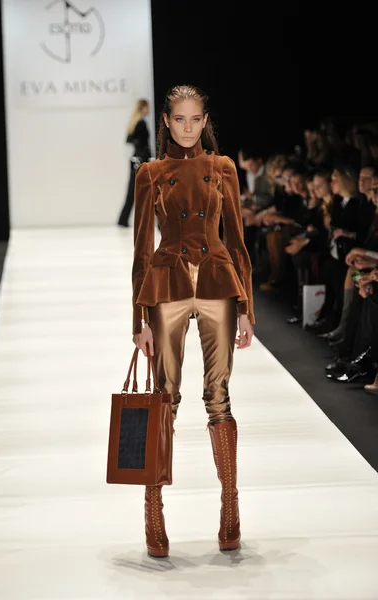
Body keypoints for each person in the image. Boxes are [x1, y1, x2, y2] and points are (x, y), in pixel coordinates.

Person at [131, 84, 255, 558]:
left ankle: (230, 507)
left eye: (194, 119)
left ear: (205, 121)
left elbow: (238, 240)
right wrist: (138, 318)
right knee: (164, 399)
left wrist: (246, 307)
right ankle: (153, 507)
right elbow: (142, 248)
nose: (186, 127)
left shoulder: (223, 168)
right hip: (168, 286)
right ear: (166, 120)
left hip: (219, 285)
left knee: (219, 395)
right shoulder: (150, 173)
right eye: (178, 119)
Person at [117, 98, 151, 227]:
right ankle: (140, 220)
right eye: (147, 107)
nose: (148, 110)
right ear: (143, 108)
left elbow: (129, 139)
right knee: (144, 192)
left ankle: (123, 219)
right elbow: (141, 143)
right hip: (141, 160)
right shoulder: (141, 123)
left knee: (133, 191)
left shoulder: (135, 122)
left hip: (136, 159)